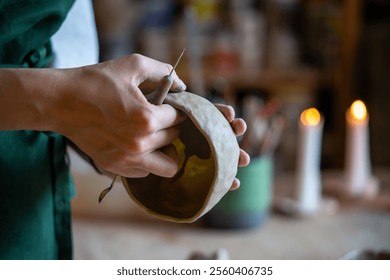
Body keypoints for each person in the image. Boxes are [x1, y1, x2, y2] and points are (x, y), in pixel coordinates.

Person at [0, 0, 250, 259]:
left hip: (31, 202)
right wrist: (62, 102)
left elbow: (58, 57)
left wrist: (123, 139)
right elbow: (64, 97)